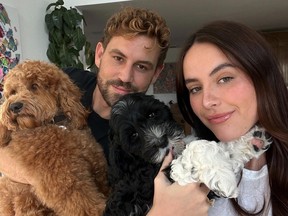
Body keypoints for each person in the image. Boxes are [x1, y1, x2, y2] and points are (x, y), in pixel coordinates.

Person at [0, 6, 210, 216]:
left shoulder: (151, 133)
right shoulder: (67, 81)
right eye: (118, 58)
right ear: (99, 54)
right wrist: (44, 175)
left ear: (156, 73)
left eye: (141, 67)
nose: (125, 76)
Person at [174, 20, 288, 215]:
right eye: (195, 88)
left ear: (262, 76)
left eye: (225, 78)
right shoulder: (187, 172)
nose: (207, 101)